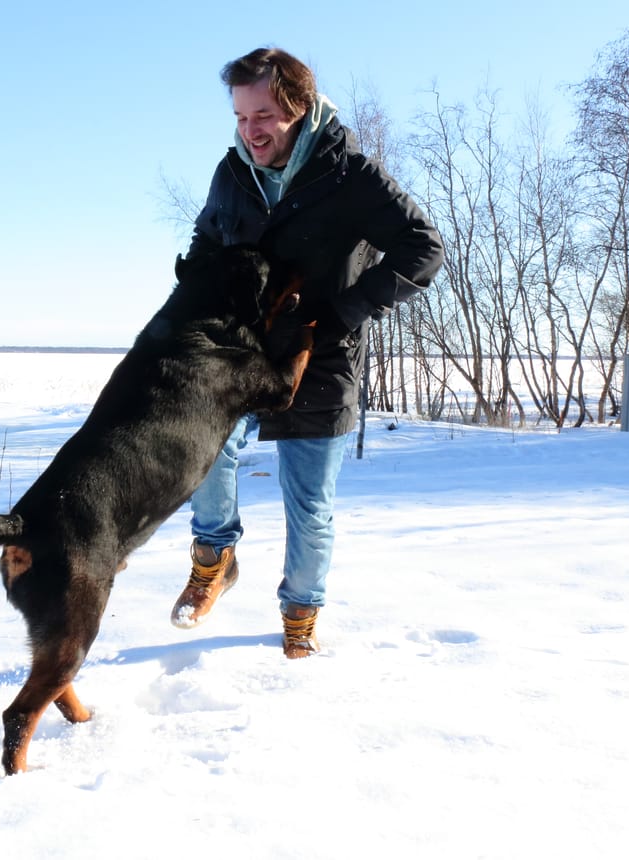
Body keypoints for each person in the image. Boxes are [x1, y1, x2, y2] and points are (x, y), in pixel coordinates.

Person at [170, 47, 444, 658]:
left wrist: (345, 313)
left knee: (310, 509)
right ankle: (213, 557)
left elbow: (422, 248)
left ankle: (300, 613)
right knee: (206, 451)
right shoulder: (232, 171)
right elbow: (208, 233)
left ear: (297, 106)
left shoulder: (347, 174)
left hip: (318, 360)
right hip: (239, 352)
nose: (251, 131)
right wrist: (189, 299)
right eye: (241, 118)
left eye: (263, 115)